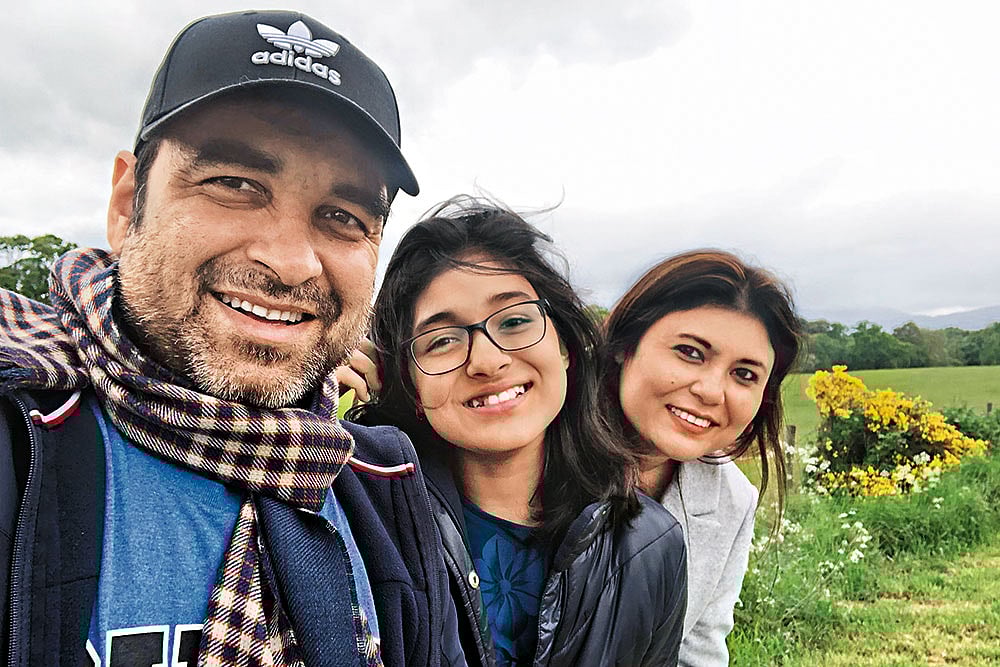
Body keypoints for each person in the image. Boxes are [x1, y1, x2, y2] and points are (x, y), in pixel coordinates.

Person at [0, 10, 464, 667]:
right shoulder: (20, 440)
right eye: (235, 184)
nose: (292, 262)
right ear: (127, 205)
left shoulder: (383, 489)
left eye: (342, 216)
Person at [346, 197, 688, 667]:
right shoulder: (361, 522)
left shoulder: (651, 547)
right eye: (442, 340)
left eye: (514, 321)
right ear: (408, 381)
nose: (487, 362)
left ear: (564, 346)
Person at [601, 249, 803, 667]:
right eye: (690, 352)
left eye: (744, 374)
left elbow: (699, 651)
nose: (711, 391)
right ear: (625, 344)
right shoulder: (530, 455)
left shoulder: (732, 500)